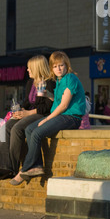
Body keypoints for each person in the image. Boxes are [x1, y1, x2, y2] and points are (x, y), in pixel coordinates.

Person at [10, 51, 86, 185]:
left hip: (71, 117)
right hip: (62, 116)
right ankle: (36, 166)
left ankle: (25, 169)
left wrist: (46, 119)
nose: (58, 69)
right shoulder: (59, 80)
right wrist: (48, 95)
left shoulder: (70, 78)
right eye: (55, 66)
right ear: (51, 68)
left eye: (61, 65)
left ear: (66, 65)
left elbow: (63, 105)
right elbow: (57, 100)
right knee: (29, 129)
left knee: (37, 133)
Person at [0, 55, 55, 179]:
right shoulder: (31, 82)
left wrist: (28, 113)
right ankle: (4, 165)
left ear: (37, 68)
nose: (27, 70)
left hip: (41, 114)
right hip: (29, 113)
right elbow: (27, 102)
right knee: (6, 126)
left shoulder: (49, 83)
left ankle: (13, 168)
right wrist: (20, 109)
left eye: (29, 68)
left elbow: (48, 107)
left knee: (17, 128)